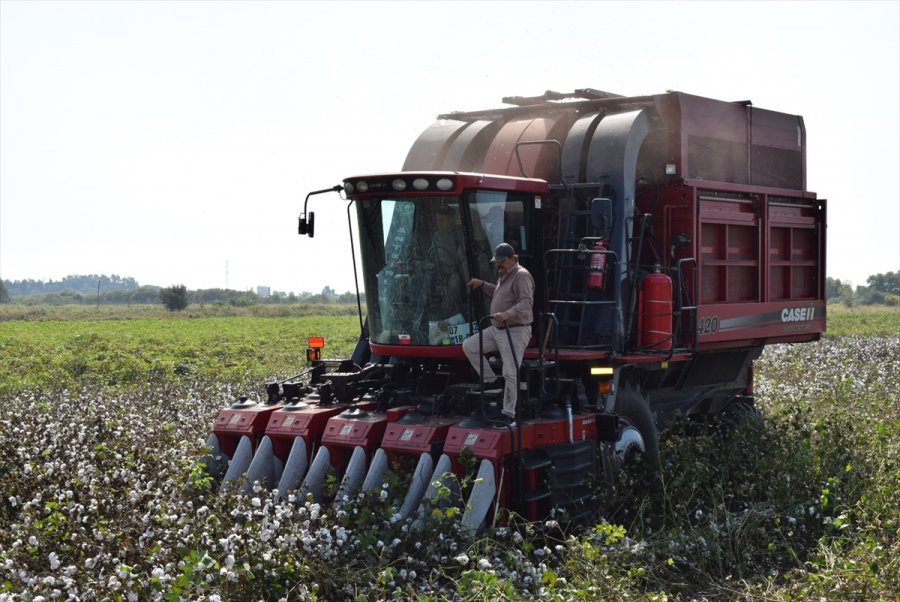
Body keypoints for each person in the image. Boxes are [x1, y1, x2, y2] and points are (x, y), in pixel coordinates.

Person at [463, 242, 534, 427]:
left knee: (510, 371)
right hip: (497, 329)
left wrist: (507, 314)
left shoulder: (522, 275)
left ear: (513, 259)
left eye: (501, 261)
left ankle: (509, 415)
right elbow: (497, 293)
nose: (498, 265)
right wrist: (482, 284)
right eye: (497, 262)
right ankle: (491, 381)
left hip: (516, 330)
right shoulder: (505, 274)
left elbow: (526, 302)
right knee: (470, 346)